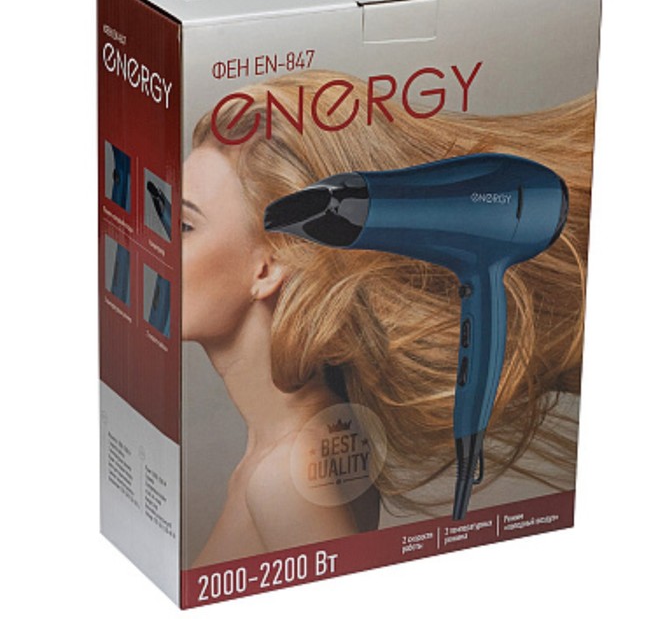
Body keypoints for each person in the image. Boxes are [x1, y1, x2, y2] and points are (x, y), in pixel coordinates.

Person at [182, 70, 595, 566]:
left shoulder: (285, 478)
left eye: (183, 226)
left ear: (270, 266)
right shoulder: (314, 444)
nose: (153, 244)